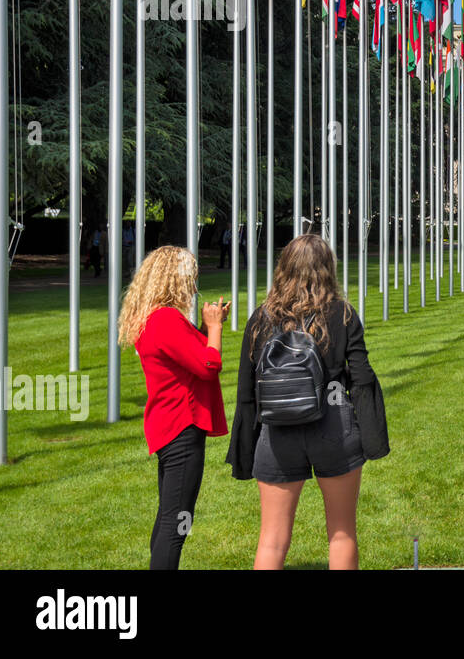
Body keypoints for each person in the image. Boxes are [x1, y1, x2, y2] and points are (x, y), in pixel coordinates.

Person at [227, 234, 389, 570]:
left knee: (271, 540)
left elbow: (247, 392)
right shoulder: (342, 314)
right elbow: (362, 379)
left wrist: (244, 450)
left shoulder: (260, 318)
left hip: (276, 432)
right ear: (328, 269)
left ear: (283, 268)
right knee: (342, 533)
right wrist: (373, 440)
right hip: (334, 426)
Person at [117, 246, 229, 570]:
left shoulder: (154, 318)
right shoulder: (165, 319)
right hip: (181, 426)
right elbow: (208, 365)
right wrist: (217, 328)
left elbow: (191, 356)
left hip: (169, 426)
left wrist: (210, 326)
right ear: (174, 281)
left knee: (170, 516)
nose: (194, 288)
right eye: (190, 279)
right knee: (177, 521)